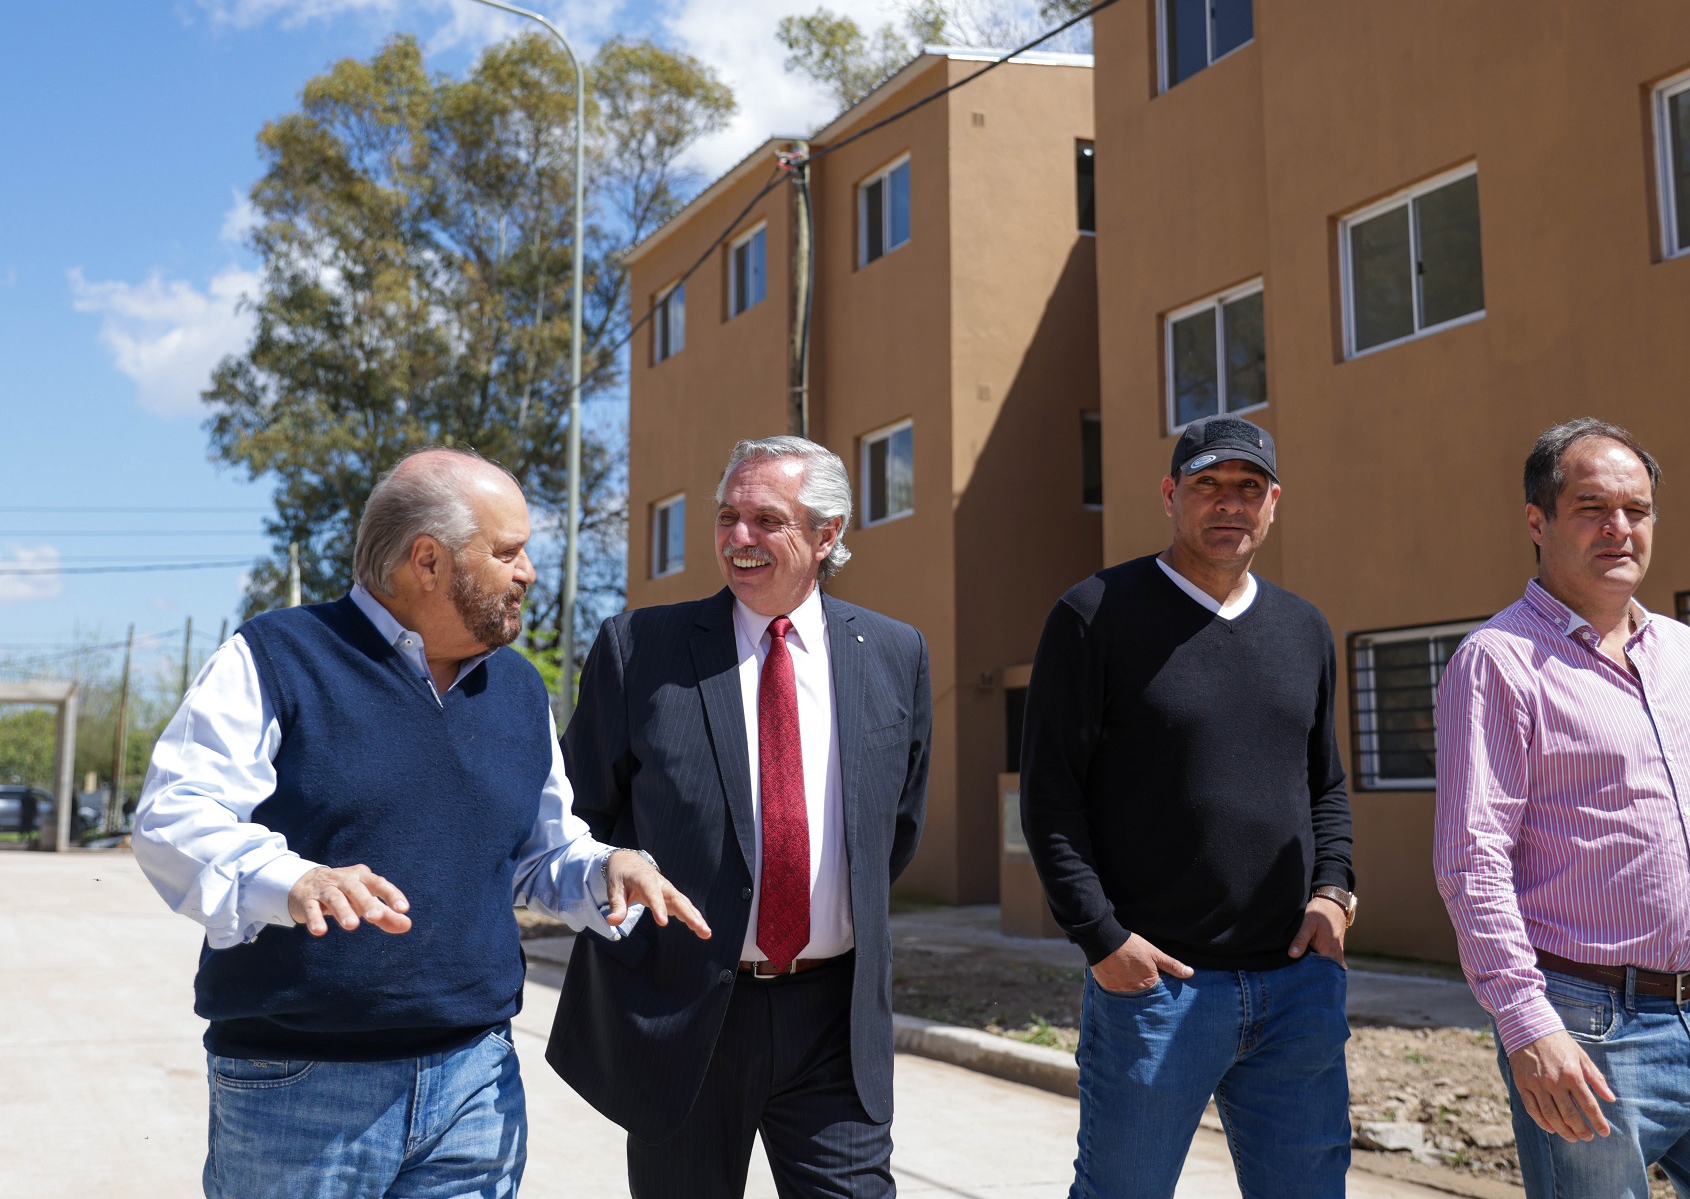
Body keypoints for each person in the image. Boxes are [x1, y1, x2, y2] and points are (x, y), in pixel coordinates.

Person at [133, 447, 705, 1199]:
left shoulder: (521, 690)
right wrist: (294, 878)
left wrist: (603, 868)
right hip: (300, 1092)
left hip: (475, 1082)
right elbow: (173, 812)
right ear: (427, 561)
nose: (529, 571)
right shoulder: (276, 657)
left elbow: (540, 853)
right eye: (507, 552)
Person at [1433, 418, 1690, 1198]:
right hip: (1588, 1031)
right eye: (1592, 506)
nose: (1619, 527)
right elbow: (1472, 860)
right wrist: (1528, 1026)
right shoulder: (1497, 664)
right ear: (1538, 521)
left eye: (1637, 508)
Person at [546, 436, 931, 1199]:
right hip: (684, 1017)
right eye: (727, 516)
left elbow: (896, 830)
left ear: (828, 533)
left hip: (833, 1020)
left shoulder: (894, 652)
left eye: (766, 518)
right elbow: (574, 818)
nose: (739, 539)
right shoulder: (640, 649)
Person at [1020, 414, 1357, 1199]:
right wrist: (1101, 937)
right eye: (1207, 485)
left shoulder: (1303, 628)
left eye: (1248, 488)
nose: (1229, 504)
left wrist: (1334, 891)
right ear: (1171, 494)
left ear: (1274, 502)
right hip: (1158, 987)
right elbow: (1051, 795)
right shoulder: (1093, 614)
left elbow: (1326, 785)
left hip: (1297, 987)